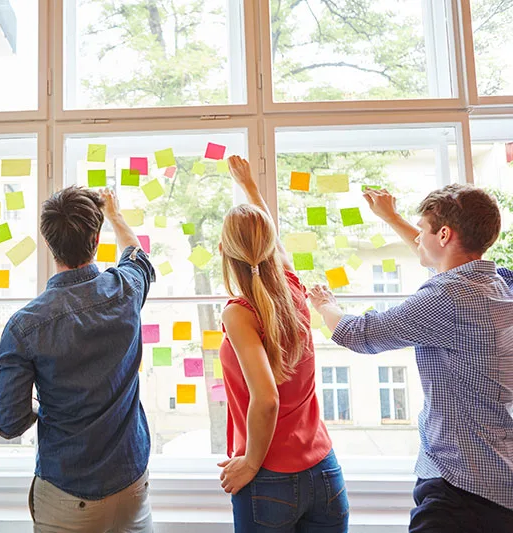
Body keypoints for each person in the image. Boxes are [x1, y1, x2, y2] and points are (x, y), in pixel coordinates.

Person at [309, 184, 513, 533]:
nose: (418, 237)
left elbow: (359, 334)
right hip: (499, 477)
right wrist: (393, 218)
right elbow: (443, 258)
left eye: (422, 229)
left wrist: (325, 304)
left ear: (445, 234)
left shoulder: (447, 296)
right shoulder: (500, 283)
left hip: (460, 489)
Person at [0, 186, 155, 532]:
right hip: (131, 487)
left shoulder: (25, 326)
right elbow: (136, 254)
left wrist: (53, 408)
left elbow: (9, 423)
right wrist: (114, 214)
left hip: (66, 494)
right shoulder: (125, 290)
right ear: (96, 239)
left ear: (48, 243)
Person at [217, 156, 348, 532]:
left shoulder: (239, 313)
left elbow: (267, 397)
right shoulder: (293, 286)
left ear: (224, 251)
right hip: (324, 471)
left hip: (269, 478)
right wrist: (251, 188)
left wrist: (251, 463)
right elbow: (271, 239)